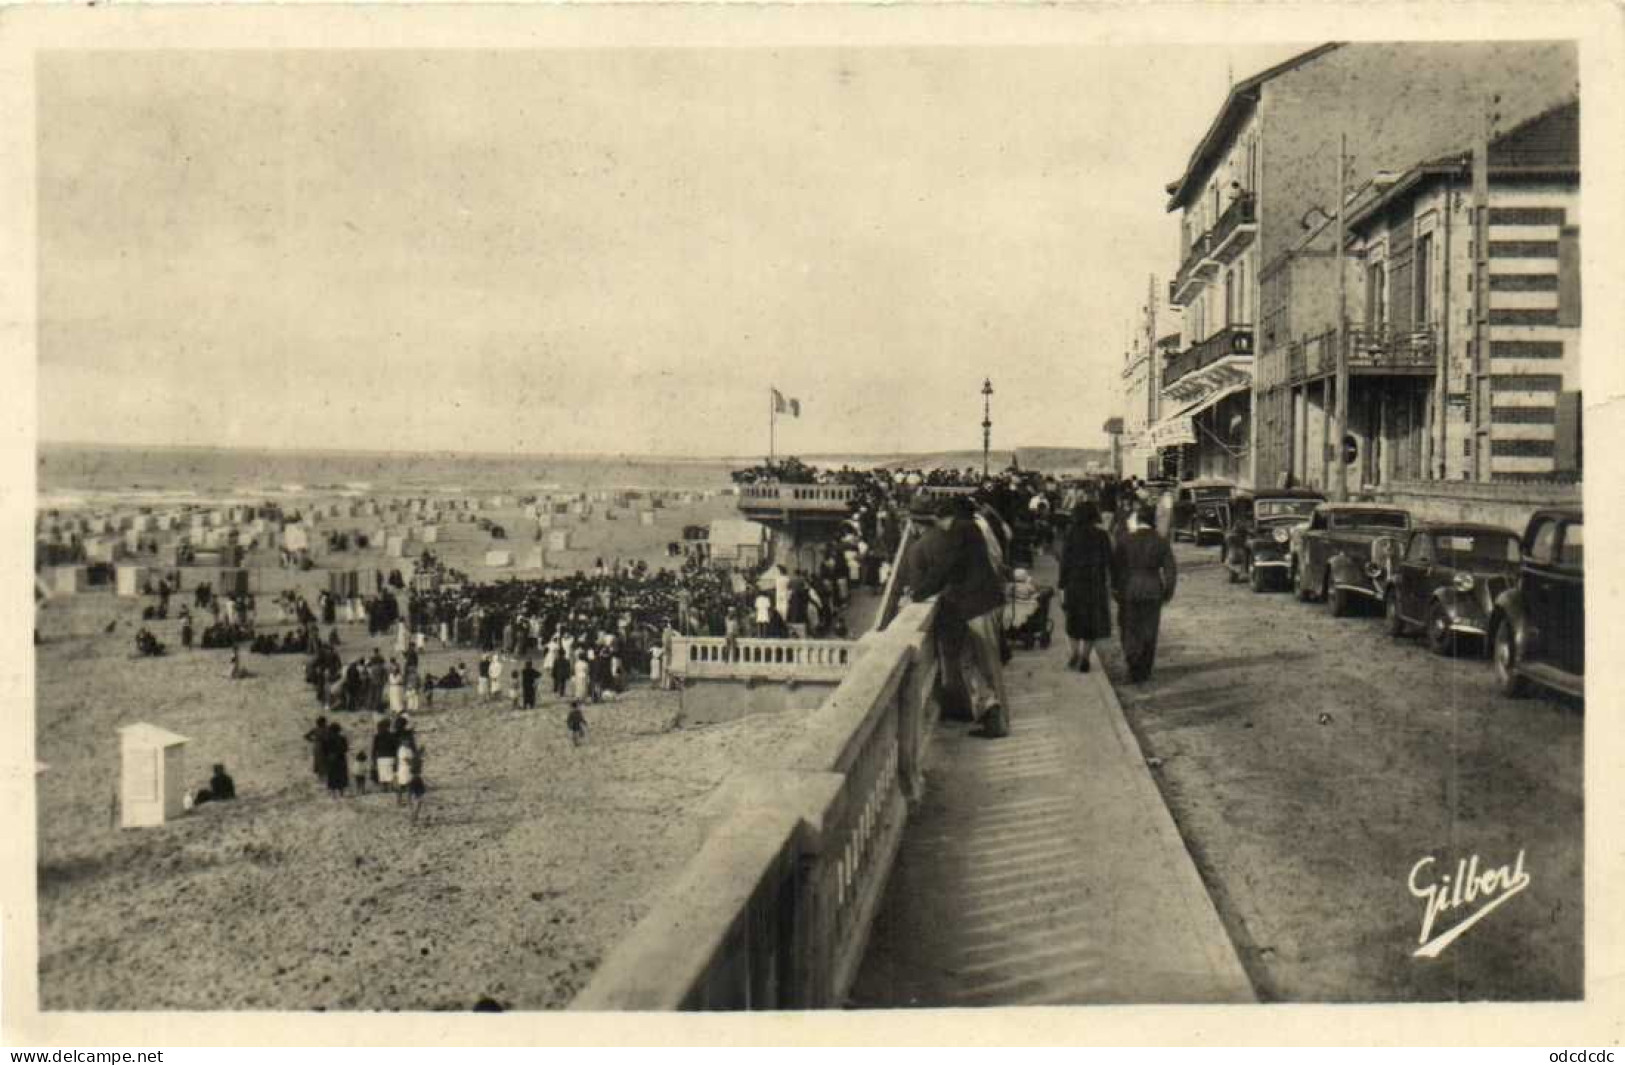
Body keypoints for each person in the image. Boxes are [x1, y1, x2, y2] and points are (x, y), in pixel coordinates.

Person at [909, 497, 1010, 737]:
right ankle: (990, 715)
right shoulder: (970, 528)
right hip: (984, 602)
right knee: (975, 661)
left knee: (986, 663)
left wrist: (919, 593)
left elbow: (947, 567)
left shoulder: (959, 531)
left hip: (978, 605)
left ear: (945, 517)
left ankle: (1000, 723)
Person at [1111, 504, 1178, 684]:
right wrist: (1167, 591)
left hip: (1129, 588)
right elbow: (1171, 570)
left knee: (1129, 628)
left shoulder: (1124, 540)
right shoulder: (1161, 541)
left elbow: (1115, 567)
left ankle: (1132, 666)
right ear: (1152, 521)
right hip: (1153, 588)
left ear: (1138, 520)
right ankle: (1145, 670)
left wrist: (1115, 588)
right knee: (1150, 629)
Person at [1059, 501, 1114, 673]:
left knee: (1073, 620)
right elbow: (1109, 561)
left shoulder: (1070, 535)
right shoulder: (1102, 535)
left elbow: (1064, 563)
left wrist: (1062, 585)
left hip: (1074, 583)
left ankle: (1074, 653)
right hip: (1094, 583)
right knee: (1091, 623)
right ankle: (1085, 658)